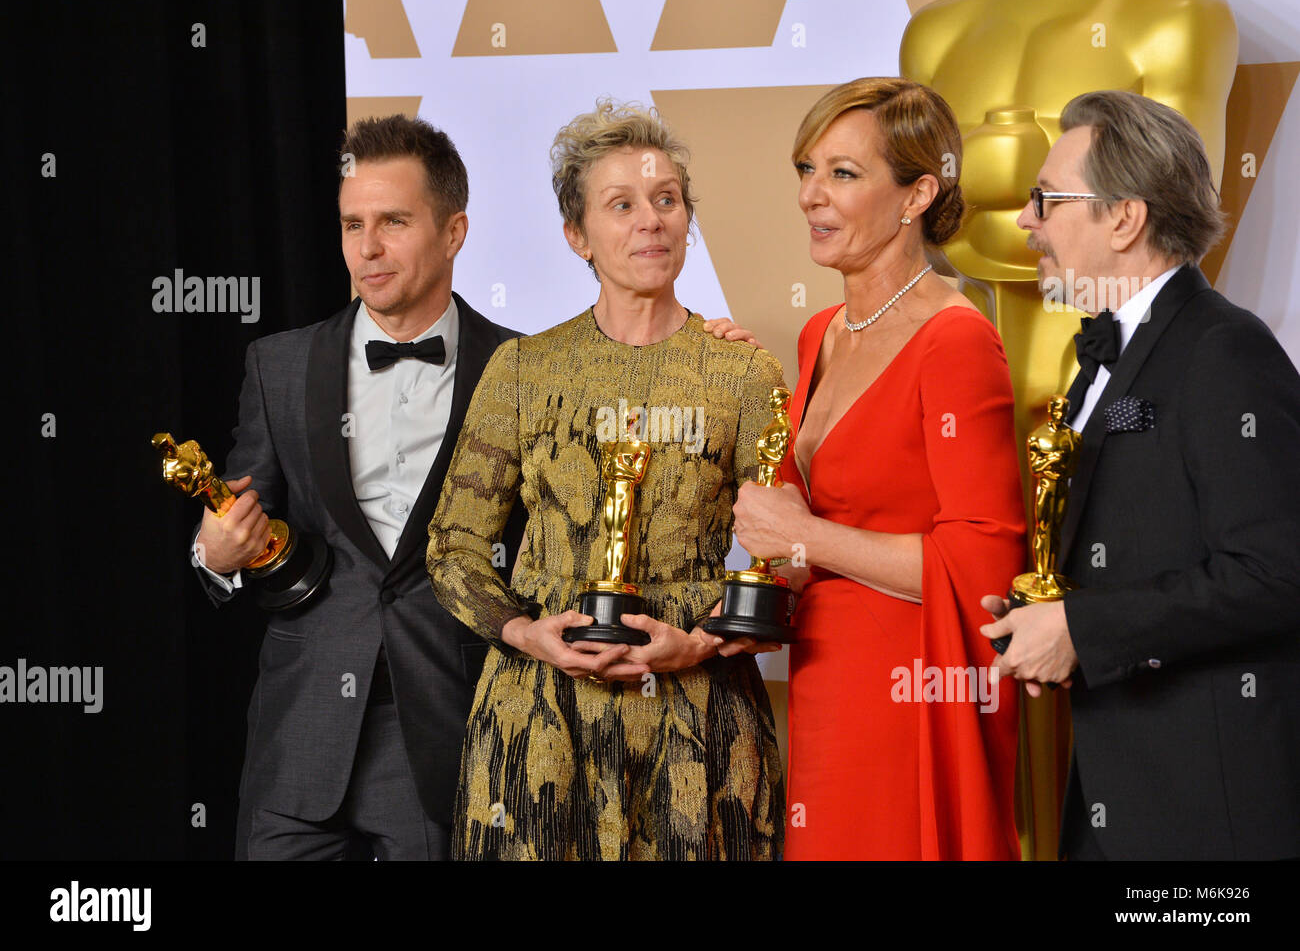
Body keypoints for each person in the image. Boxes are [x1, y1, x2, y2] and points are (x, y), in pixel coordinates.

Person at [426, 100, 785, 861]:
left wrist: (699, 640)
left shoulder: (745, 372)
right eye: (621, 205)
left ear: (687, 220)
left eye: (666, 200)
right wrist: (525, 630)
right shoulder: (522, 369)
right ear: (577, 236)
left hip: (701, 720)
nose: (650, 221)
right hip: (539, 721)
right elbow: (454, 547)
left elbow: (789, 557)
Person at [190, 115, 528, 860]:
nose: (367, 249)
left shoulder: (521, 368)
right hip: (300, 738)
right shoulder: (276, 365)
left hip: (449, 731)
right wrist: (214, 555)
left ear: (454, 230)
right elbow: (244, 511)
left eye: (394, 222)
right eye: (353, 224)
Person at [980, 90, 1300, 860]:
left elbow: (1278, 571)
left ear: (1123, 219)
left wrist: (1082, 630)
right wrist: (1049, 615)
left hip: (1209, 819)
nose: (1026, 219)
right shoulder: (1106, 355)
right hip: (1117, 792)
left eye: (1047, 199)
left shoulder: (1224, 351)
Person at [730, 77, 1026, 860]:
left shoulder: (956, 340)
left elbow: (983, 566)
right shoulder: (820, 331)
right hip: (828, 679)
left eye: (843, 174)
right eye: (806, 170)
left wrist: (806, 535)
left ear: (917, 194)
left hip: (914, 696)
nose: (811, 196)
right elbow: (812, 525)